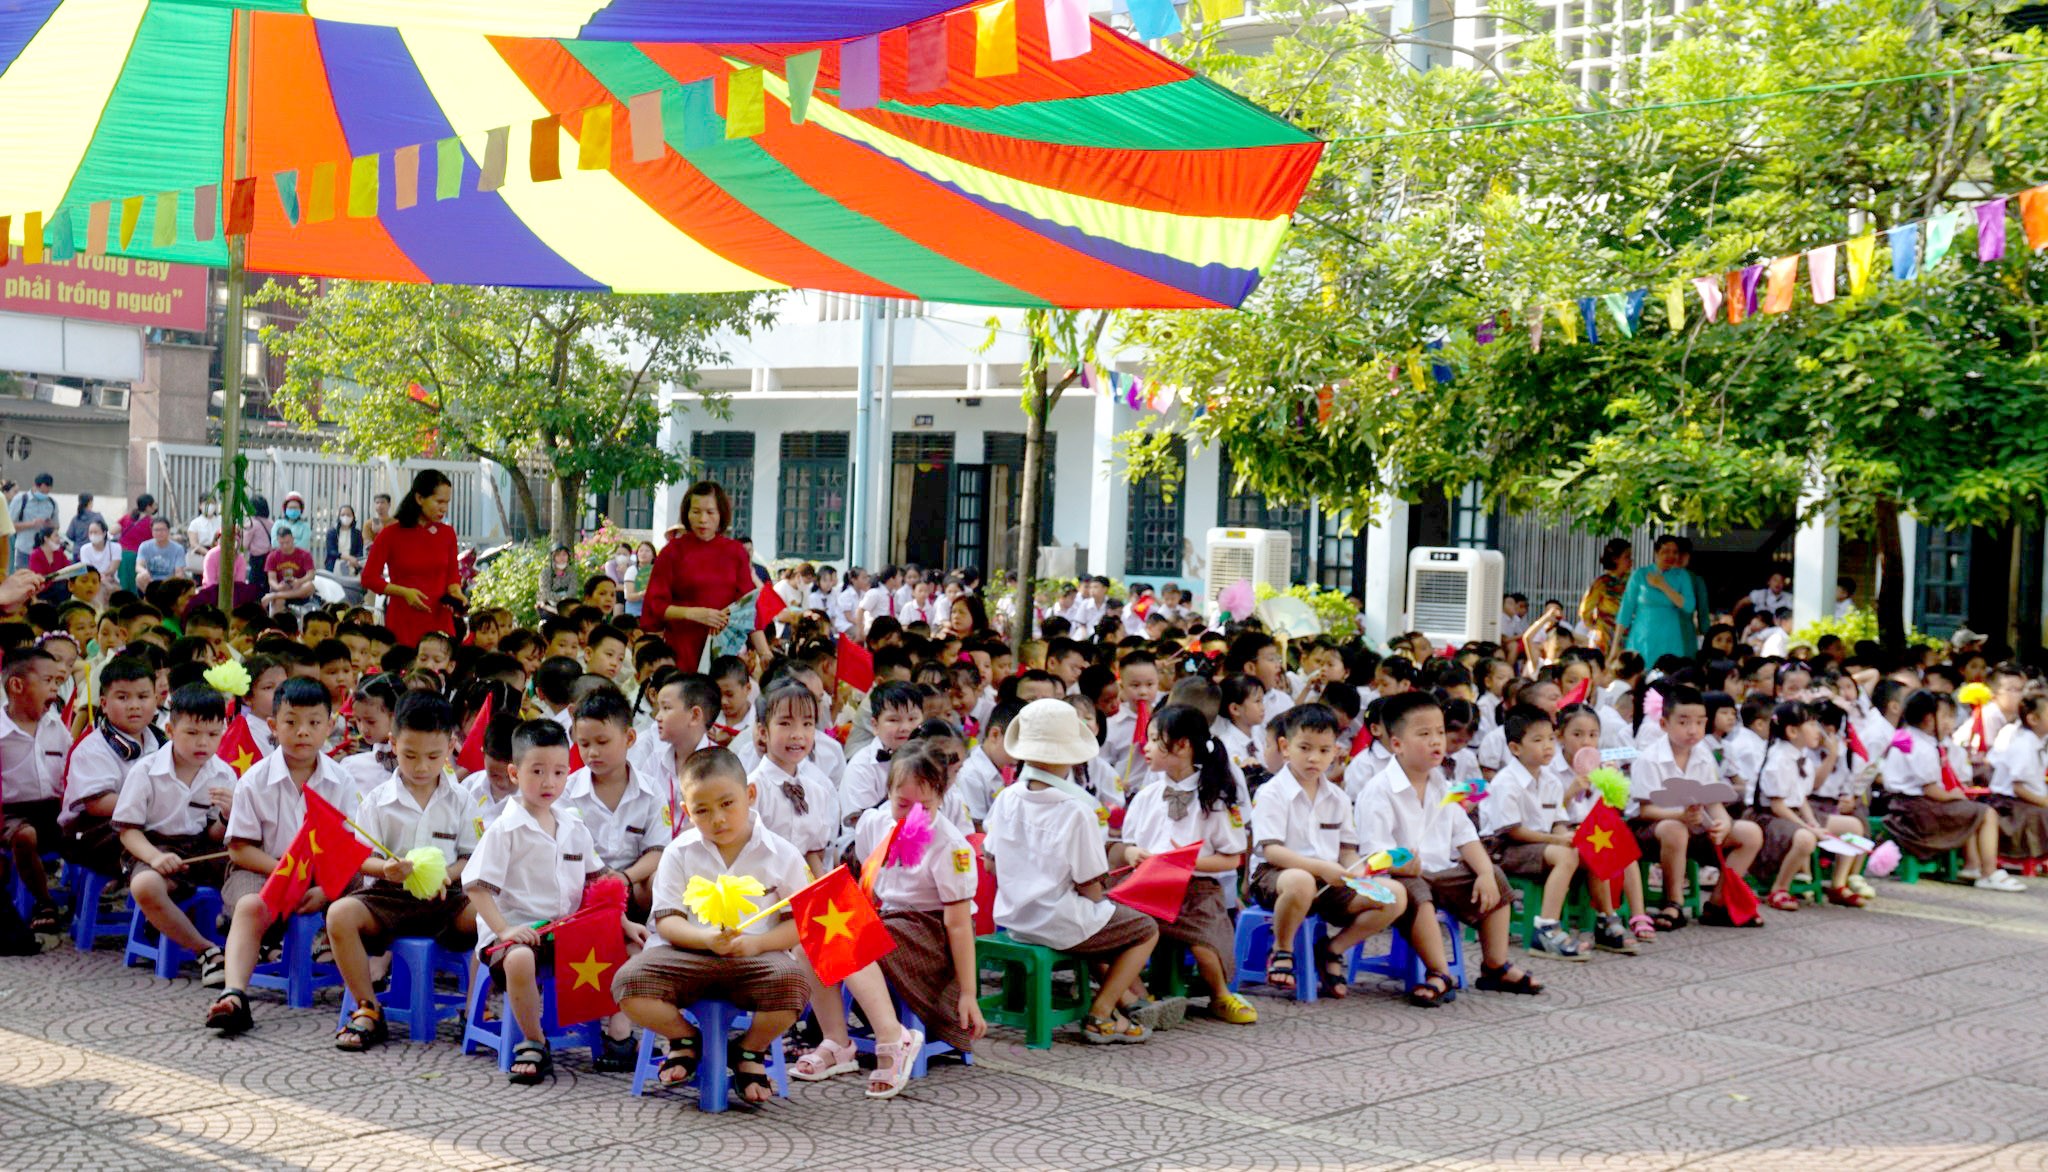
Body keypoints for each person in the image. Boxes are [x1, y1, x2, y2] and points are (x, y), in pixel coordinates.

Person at [611, 747, 809, 1102]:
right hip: (687, 953)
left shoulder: (782, 853)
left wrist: (756, 945)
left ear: (750, 794)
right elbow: (667, 921)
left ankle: (750, 1050)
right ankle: (685, 1038)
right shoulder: (679, 851)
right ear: (687, 812)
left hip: (756, 958)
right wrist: (704, 938)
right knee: (628, 983)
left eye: (727, 803)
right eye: (702, 810)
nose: (718, 819)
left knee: (795, 984)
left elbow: (798, 924)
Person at [467, 720, 641, 1083]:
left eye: (559, 772)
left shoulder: (573, 825)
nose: (549, 782)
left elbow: (599, 881)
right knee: (519, 960)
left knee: (635, 944)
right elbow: (476, 887)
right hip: (519, 936)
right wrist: (505, 930)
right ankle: (533, 1040)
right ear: (514, 772)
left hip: (568, 934)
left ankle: (619, 1034)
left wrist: (623, 921)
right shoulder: (504, 829)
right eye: (537, 771)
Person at [984, 697, 1159, 1043]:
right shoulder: (1076, 809)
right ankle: (1100, 1011)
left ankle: (1124, 999)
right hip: (1058, 919)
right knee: (1145, 929)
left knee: (1098, 921)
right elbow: (1090, 887)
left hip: (1015, 917)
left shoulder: (1007, 797)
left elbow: (990, 863)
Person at [327, 693, 478, 1052]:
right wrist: (386, 868)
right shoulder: (378, 799)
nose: (422, 766)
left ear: (451, 747)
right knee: (339, 915)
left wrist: (449, 875)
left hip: (446, 898)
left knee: (490, 916)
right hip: (388, 896)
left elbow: (472, 856)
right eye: (410, 755)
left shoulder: (461, 799)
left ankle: (473, 1009)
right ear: (393, 744)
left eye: (433, 756)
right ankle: (367, 1007)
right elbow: (361, 857)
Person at [205, 678, 355, 1033]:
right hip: (262, 868)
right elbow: (239, 848)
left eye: (314, 723)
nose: (302, 732)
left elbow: (348, 848)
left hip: (324, 874)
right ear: (273, 727)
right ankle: (234, 994)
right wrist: (286, 872)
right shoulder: (254, 780)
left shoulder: (341, 780)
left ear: (330, 726)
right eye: (291, 722)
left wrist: (325, 888)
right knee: (249, 906)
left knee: (365, 890)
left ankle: (368, 991)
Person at [1126, 704, 1258, 1024]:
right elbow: (1126, 844)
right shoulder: (1147, 795)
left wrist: (1194, 861)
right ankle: (1141, 1000)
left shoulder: (1213, 797)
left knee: (1206, 944)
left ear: (1183, 745)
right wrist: (1132, 854)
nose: (1146, 746)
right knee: (1120, 930)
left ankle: (1220, 995)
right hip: (1147, 887)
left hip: (1196, 888)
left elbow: (1232, 856)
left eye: (1156, 739)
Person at [116, 683, 233, 983]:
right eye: (192, 733)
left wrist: (226, 816)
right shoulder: (146, 770)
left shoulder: (223, 773)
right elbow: (128, 832)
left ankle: (257, 945)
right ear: (169, 729)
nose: (203, 743)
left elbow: (214, 837)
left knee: (251, 869)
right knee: (145, 887)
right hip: (152, 845)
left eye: (212, 734)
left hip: (199, 849)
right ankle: (206, 951)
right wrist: (155, 858)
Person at [1629, 685, 1765, 929]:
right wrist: (1680, 816)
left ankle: (1717, 904)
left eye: (1700, 723)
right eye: (1683, 722)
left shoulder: (1703, 754)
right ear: (1664, 724)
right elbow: (1644, 811)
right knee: (1674, 829)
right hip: (1652, 830)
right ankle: (1673, 903)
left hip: (1694, 826)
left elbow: (1713, 801)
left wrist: (1722, 823)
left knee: (1750, 833)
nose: (1693, 730)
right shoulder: (1649, 758)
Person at [1880, 690, 2024, 892]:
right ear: (1929, 719)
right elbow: (1930, 790)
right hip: (1917, 812)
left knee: (1970, 810)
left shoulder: (1908, 737)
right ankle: (1989, 873)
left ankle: (1973, 865)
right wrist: (1953, 795)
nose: (1950, 722)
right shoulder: (1923, 747)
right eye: (1945, 716)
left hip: (1904, 805)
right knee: (1987, 813)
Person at [1752, 701, 1866, 910]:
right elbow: (1778, 806)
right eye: (1812, 725)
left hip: (1794, 812)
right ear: (1792, 731)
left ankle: (1838, 885)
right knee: (1806, 838)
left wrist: (1813, 822)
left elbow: (1801, 796)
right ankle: (1780, 888)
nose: (1818, 731)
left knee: (1854, 827)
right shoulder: (1779, 758)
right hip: (1771, 818)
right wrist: (1808, 828)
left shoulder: (1800, 754)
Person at [639, 481, 754, 672]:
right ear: (687, 513)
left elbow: (748, 606)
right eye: (696, 511)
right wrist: (693, 613)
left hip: (724, 648)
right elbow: (655, 605)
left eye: (710, 512)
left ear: (721, 514)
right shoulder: (672, 552)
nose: (703, 519)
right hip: (681, 648)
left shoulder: (735, 552)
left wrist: (764, 652)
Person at [0, 646, 74, 932]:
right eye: (48, 681)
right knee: (25, 835)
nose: (55, 688)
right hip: (10, 813)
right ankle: (44, 901)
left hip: (53, 809)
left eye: (58, 682)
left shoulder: (56, 726)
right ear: (17, 685)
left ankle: (90, 894)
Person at [361, 470, 464, 649]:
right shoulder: (390, 534)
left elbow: (452, 577)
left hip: (440, 623)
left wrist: (456, 593)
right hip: (403, 622)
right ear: (419, 498)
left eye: (447, 502)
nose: (444, 508)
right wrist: (404, 592)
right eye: (438, 501)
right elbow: (369, 578)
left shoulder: (447, 534)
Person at [1612, 534, 1696, 667]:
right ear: (1656, 553)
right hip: (1642, 636)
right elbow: (1625, 611)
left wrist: (1663, 585)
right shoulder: (1640, 574)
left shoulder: (1682, 576)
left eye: (1674, 552)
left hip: (1670, 637)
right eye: (1666, 551)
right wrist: (1615, 645)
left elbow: (1689, 606)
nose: (1671, 556)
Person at [262, 526, 317, 615]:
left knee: (310, 586)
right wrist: (277, 587)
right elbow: (271, 579)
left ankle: (276, 596)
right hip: (282, 588)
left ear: (293, 539)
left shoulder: (305, 555)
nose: (285, 546)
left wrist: (299, 581)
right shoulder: (272, 556)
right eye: (282, 543)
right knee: (278, 601)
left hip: (298, 589)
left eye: (287, 542)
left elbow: (311, 575)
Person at [8, 472, 56, 571]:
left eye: (46, 492)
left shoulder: (51, 503)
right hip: (24, 550)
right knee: (24, 581)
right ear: (35, 486)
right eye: (42, 492)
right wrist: (31, 524)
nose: (44, 495)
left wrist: (49, 525)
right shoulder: (21, 499)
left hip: (43, 551)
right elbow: (9, 525)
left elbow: (56, 526)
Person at [117, 494, 157, 593]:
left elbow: (114, 529)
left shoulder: (127, 517)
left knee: (124, 584)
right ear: (148, 507)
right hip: (137, 557)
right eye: (153, 505)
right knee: (135, 586)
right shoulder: (150, 522)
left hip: (122, 555)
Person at [537, 547, 578, 618]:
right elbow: (545, 592)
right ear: (553, 558)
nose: (562, 558)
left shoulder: (572, 573)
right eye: (558, 555)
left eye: (564, 555)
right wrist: (560, 599)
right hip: (548, 605)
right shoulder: (545, 573)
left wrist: (565, 599)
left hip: (566, 604)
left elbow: (573, 590)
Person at [324, 504, 364, 576]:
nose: (345, 517)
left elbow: (360, 551)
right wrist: (348, 558)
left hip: (352, 565)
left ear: (353, 517)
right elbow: (331, 551)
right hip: (335, 564)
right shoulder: (332, 532)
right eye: (343, 515)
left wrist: (354, 560)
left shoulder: (357, 533)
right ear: (339, 517)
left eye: (348, 515)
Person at [621, 540, 656, 620]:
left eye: (647, 551)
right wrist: (643, 593)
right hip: (635, 614)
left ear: (653, 555)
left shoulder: (659, 571)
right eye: (641, 551)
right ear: (637, 554)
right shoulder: (632, 570)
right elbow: (629, 596)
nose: (643, 553)